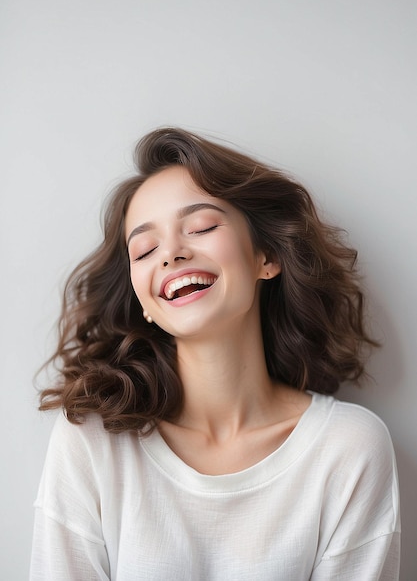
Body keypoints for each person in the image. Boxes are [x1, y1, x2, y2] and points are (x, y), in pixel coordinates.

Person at [30, 127, 400, 580]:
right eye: (145, 249)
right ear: (143, 302)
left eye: (201, 227)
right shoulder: (93, 440)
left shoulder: (348, 449)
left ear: (267, 256)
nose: (170, 254)